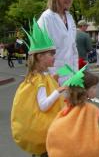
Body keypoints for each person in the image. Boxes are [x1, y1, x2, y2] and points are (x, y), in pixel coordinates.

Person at [11, 19, 65, 156]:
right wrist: (59, 91)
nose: (54, 57)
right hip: (44, 130)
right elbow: (43, 105)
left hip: (43, 130)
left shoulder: (41, 76)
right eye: (51, 54)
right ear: (40, 56)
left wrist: (53, 81)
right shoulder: (39, 79)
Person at [46, 67, 99, 157]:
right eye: (94, 87)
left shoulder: (68, 107)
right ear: (84, 91)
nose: (96, 89)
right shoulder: (92, 110)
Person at [38, 0, 79, 86]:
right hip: (53, 72)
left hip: (69, 70)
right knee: (56, 100)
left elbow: (73, 47)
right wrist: (49, 74)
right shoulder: (47, 17)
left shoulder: (69, 18)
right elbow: (41, 50)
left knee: (68, 100)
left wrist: (76, 72)